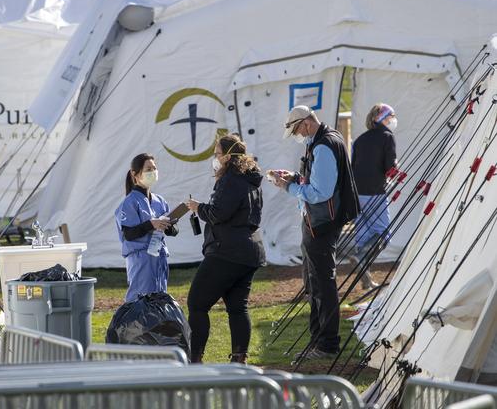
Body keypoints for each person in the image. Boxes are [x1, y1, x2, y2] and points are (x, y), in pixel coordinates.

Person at [271, 105, 359, 361]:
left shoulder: (322, 146)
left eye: (297, 130)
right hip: (317, 221)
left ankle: (327, 344)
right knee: (315, 283)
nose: (298, 135)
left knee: (322, 284)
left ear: (307, 123)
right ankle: (319, 341)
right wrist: (297, 178)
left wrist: (288, 187)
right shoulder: (326, 139)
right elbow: (318, 182)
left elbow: (321, 192)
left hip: (320, 223)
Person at [185, 134, 266, 364]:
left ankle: (195, 358)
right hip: (250, 250)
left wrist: (199, 208)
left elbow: (218, 213)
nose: (215, 159)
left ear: (228, 156)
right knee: (237, 307)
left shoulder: (231, 179)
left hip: (227, 250)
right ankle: (239, 359)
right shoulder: (251, 180)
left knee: (197, 303)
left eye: (217, 154)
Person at [115, 153, 178, 303]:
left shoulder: (160, 201)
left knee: (159, 300)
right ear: (135, 174)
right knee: (139, 301)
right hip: (141, 259)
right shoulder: (129, 202)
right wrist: (151, 224)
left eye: (154, 168)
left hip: (159, 257)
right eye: (148, 169)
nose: (153, 172)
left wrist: (169, 226)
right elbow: (129, 234)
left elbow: (173, 232)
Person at [350, 103, 397, 288]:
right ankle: (361, 257)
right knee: (383, 234)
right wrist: (396, 168)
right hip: (375, 192)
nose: (393, 120)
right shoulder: (387, 136)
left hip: (357, 193)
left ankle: (366, 280)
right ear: (383, 118)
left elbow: (353, 166)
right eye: (391, 116)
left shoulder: (360, 140)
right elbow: (390, 168)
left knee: (364, 235)